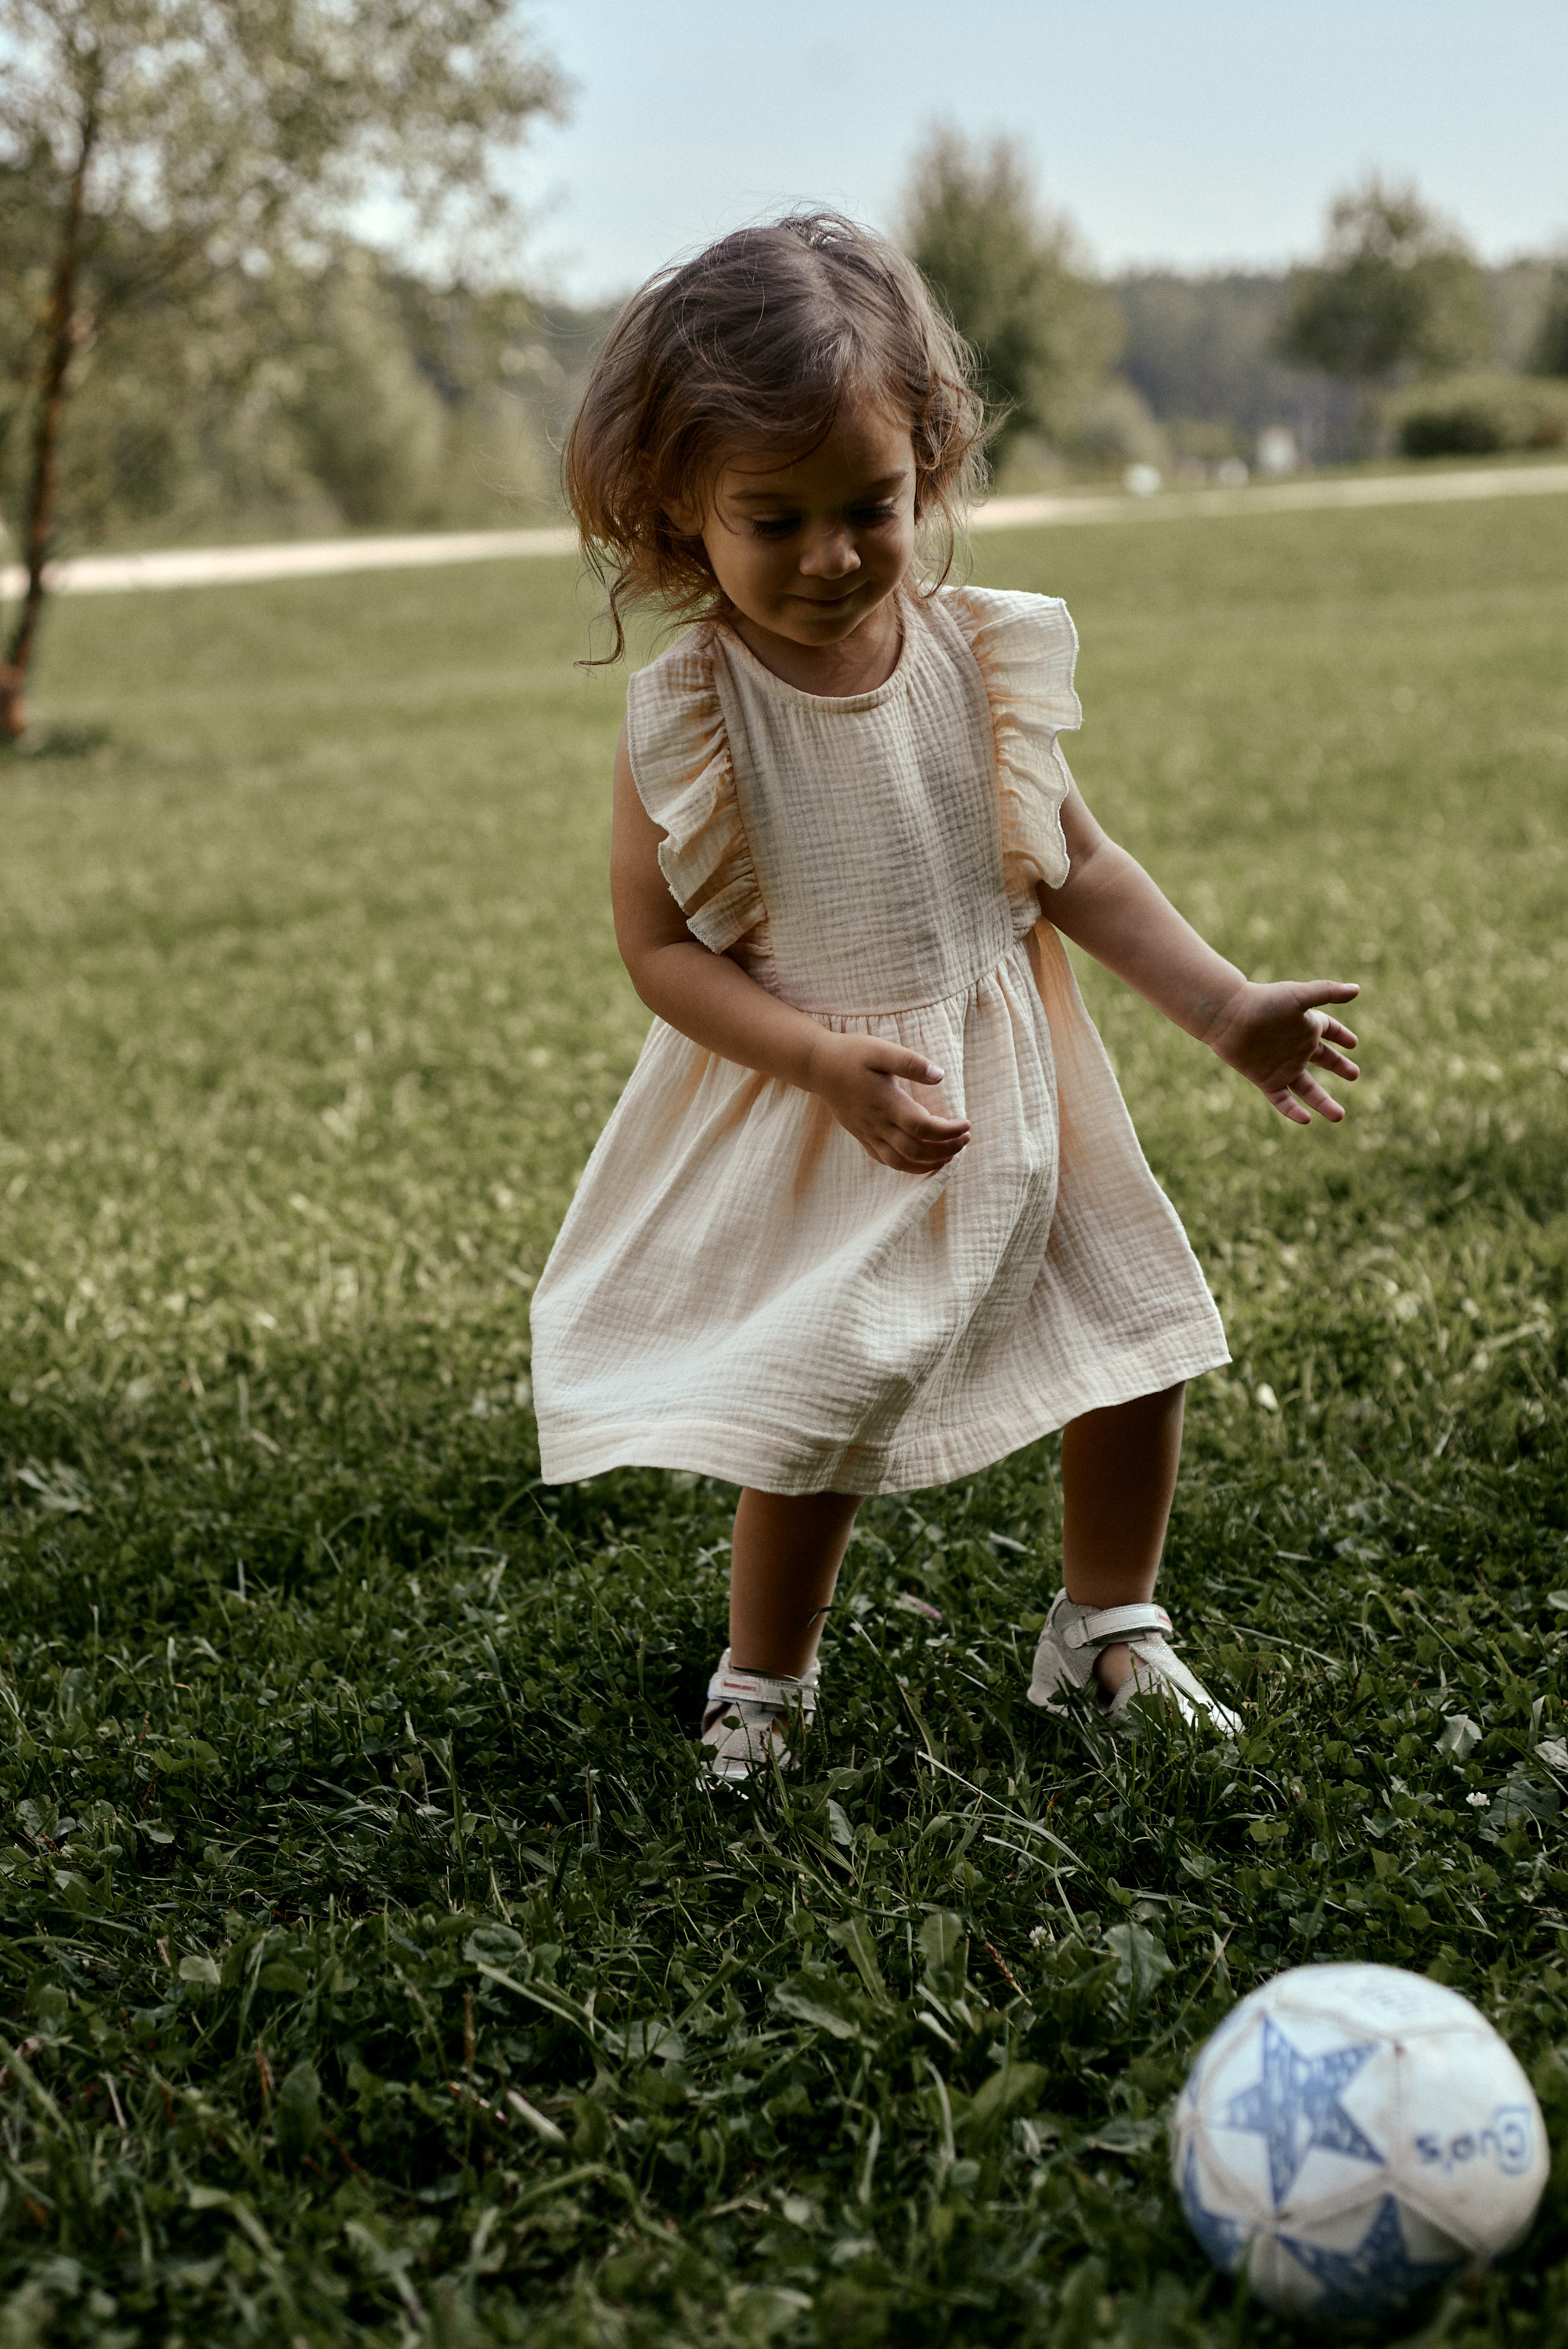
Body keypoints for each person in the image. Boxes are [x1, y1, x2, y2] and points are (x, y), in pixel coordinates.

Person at [530, 214, 1357, 1779]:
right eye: (775, 520)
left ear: (932, 467)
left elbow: (1075, 861)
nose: (835, 552)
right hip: (836, 1102)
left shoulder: (980, 653)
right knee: (821, 1400)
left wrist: (1224, 1006)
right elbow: (661, 955)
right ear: (676, 516)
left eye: (874, 506)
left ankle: (1108, 1626)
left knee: (1139, 1340)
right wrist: (821, 1063)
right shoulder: (693, 714)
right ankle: (762, 1688)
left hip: (1021, 1075)